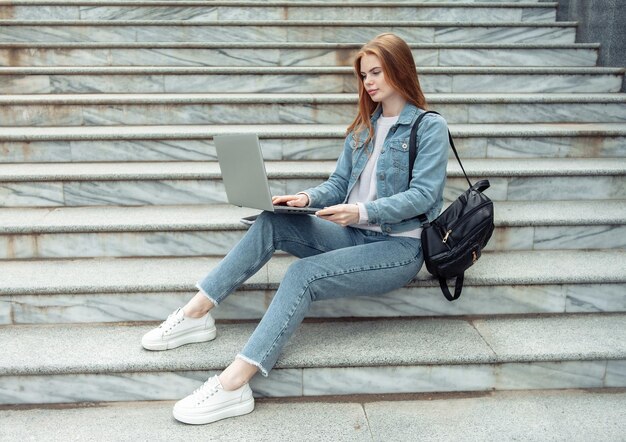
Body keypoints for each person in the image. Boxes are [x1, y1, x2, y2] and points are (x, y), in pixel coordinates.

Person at [141, 32, 450, 425]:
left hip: (398, 247)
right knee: (273, 220)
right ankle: (197, 313)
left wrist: (361, 211)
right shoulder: (363, 128)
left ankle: (234, 385)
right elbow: (338, 185)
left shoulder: (428, 127)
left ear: (399, 69)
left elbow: (424, 195)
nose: (369, 82)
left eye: (376, 72)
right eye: (364, 75)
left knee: (303, 273)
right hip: (354, 233)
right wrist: (305, 199)